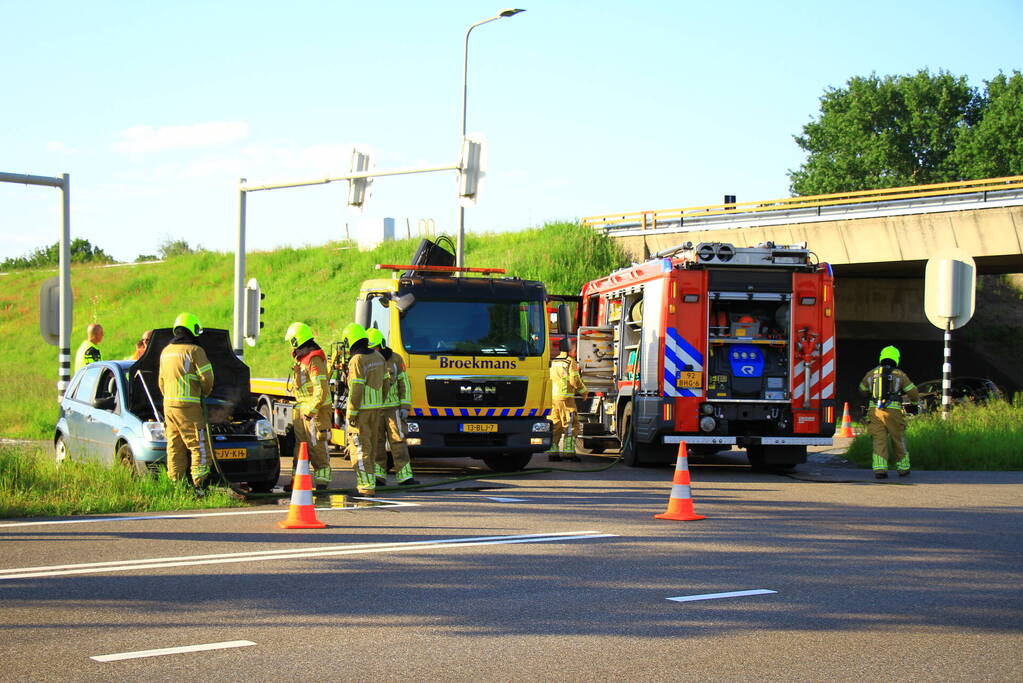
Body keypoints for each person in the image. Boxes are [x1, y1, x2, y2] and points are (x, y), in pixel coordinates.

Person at [158, 313, 215, 489]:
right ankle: (200, 486)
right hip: (188, 407)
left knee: (175, 446)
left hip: (169, 406)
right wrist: (204, 394)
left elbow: (161, 381)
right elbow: (207, 378)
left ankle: (177, 486)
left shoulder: (166, 351)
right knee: (199, 445)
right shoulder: (195, 351)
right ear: (192, 330)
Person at [284, 322, 333, 490]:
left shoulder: (314, 360)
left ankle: (322, 483)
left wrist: (311, 411)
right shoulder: (303, 360)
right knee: (300, 448)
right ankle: (296, 482)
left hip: (315, 413)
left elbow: (321, 389)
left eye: (292, 342)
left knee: (316, 447)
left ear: (297, 342)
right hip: (303, 412)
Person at [367, 328, 419, 487]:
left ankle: (404, 477)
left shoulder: (396, 359)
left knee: (398, 441)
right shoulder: (368, 360)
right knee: (376, 442)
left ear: (381, 345)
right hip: (375, 408)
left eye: (375, 348)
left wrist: (405, 406)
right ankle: (378, 476)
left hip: (393, 409)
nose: (373, 351)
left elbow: (404, 384)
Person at [858, 345, 920, 479]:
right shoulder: (899, 375)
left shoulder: (871, 373)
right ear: (896, 358)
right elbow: (913, 392)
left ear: (882, 357)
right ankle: (903, 469)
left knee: (879, 440)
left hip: (875, 411)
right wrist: (915, 404)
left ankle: (880, 469)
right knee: (898, 438)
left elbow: (862, 390)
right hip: (894, 411)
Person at [341, 323, 388, 496]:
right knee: (372, 448)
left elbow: (356, 389)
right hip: (376, 410)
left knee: (359, 449)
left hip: (361, 412)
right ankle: (371, 481)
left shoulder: (357, 360)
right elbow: (386, 383)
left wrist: (351, 412)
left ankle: (365, 487)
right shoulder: (378, 356)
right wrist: (380, 402)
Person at [548, 338, 587, 462]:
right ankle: (569, 453)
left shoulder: (554, 361)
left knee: (556, 425)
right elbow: (574, 380)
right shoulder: (570, 362)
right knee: (571, 425)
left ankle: (553, 453)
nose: (575, 352)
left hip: (554, 398)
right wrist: (583, 391)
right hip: (566, 399)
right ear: (570, 349)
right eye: (574, 349)